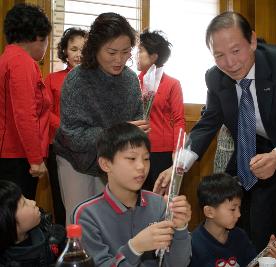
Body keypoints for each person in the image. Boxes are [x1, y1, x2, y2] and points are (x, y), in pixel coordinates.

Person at [155, 11, 276, 259]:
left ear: (253, 41)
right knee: (259, 228)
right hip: (259, 154)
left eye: (236, 50)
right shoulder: (215, 77)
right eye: (219, 55)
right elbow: (207, 123)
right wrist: (178, 167)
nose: (230, 62)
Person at [53, 12, 149, 224]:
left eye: (126, 52)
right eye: (112, 52)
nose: (119, 59)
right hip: (76, 160)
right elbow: (73, 135)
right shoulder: (76, 80)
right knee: (80, 221)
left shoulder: (130, 80)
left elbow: (135, 124)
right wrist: (118, 132)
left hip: (114, 162)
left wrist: (135, 132)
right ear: (95, 48)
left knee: (114, 222)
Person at [72, 122, 191, 266]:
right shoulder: (87, 214)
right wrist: (135, 248)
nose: (141, 166)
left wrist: (180, 228)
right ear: (106, 164)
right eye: (131, 158)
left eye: (146, 159)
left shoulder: (159, 204)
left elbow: (178, 264)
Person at [0, 3, 52, 200]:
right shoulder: (22, 62)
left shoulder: (7, 57)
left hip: (10, 153)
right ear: (39, 38)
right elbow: (25, 115)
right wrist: (36, 159)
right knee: (19, 218)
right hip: (17, 156)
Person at [190, 173, 276, 267]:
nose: (239, 214)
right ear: (209, 212)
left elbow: (252, 264)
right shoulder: (193, 244)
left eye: (239, 208)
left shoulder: (239, 236)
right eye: (232, 209)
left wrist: (268, 257)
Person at [44, 27, 87, 225]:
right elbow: (45, 111)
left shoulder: (96, 80)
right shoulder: (52, 79)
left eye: (83, 49)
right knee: (61, 199)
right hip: (60, 146)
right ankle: (65, 247)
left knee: (89, 199)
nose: (79, 54)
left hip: (89, 149)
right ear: (65, 52)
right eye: (74, 49)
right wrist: (66, 127)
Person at [136, 29, 185, 190]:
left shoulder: (172, 84)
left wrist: (178, 152)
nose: (137, 55)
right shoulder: (132, 82)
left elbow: (179, 120)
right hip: (136, 148)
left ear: (154, 56)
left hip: (162, 152)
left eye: (141, 51)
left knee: (159, 198)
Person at [0, 180, 65, 266]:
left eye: (25, 198)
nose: (33, 202)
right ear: (8, 222)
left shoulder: (48, 231)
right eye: (24, 204)